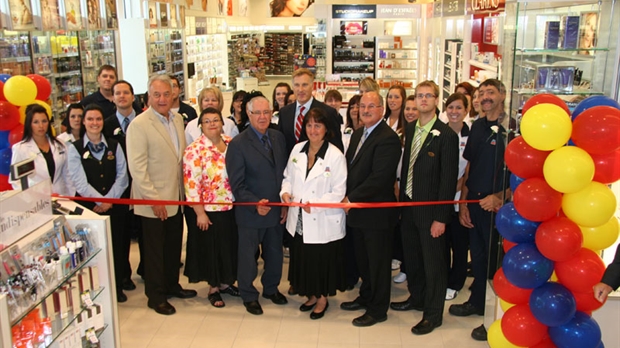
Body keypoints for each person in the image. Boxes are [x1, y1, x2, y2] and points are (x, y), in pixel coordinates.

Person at [390, 81, 458, 335]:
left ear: (436, 100)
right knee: (413, 259)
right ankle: (416, 298)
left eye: (429, 96)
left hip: (431, 213)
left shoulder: (446, 135)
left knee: (434, 264)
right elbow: (407, 168)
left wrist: (441, 218)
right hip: (408, 207)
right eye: (420, 96)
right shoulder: (411, 128)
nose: (424, 100)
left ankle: (433, 314)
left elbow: (448, 180)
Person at [126, 75, 196, 316]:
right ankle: (155, 296)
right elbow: (137, 168)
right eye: (157, 95)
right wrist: (153, 199)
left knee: (173, 246)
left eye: (166, 94)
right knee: (155, 251)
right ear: (148, 97)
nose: (162, 99)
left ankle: (171, 284)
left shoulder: (177, 119)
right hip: (153, 200)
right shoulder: (139, 124)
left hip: (176, 197)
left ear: (174, 95)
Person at [449, 79, 512, 341]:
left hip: (497, 208)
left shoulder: (512, 130)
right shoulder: (477, 127)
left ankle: (495, 318)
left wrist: (500, 197)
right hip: (474, 202)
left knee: (496, 263)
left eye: (491, 92)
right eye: (482, 93)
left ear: (503, 95)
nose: (485, 97)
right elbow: (469, 167)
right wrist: (463, 201)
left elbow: (521, 174)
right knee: (478, 258)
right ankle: (477, 303)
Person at [339, 91, 401, 327]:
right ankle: (366, 296)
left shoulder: (388, 138)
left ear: (382, 109)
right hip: (357, 213)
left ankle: (377, 309)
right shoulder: (357, 134)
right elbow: (349, 169)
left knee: (377, 264)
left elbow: (380, 178)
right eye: (362, 106)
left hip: (376, 215)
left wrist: (350, 198)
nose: (365, 110)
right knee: (364, 261)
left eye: (371, 106)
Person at [280, 108, 347, 320]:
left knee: (319, 261)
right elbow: (287, 176)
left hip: (322, 219)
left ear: (326, 128)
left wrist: (316, 204)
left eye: (318, 125)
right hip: (299, 218)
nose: (313, 130)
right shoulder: (298, 149)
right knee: (303, 258)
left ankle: (322, 299)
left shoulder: (335, 155)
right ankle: (310, 294)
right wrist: (285, 192)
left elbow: (339, 191)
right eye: (309, 125)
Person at [226, 95, 289, 316]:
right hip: (251, 212)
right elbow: (237, 183)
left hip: (275, 209)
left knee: (274, 254)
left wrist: (284, 203)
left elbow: (284, 174)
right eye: (257, 113)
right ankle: (248, 294)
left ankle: (271, 288)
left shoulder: (278, 138)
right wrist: (254, 204)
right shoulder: (238, 144)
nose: (262, 117)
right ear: (249, 114)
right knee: (248, 257)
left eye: (266, 112)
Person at [66, 104, 129, 302]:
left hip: (115, 207)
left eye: (98, 119)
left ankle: (117, 286)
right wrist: (99, 201)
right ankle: (95, 289)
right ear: (83, 122)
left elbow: (122, 176)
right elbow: (79, 181)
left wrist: (109, 201)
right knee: (93, 249)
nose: (95, 123)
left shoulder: (114, 145)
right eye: (90, 119)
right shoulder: (74, 149)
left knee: (118, 247)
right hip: (89, 209)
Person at [183, 107, 239, 308]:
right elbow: (191, 184)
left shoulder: (232, 144)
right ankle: (214, 288)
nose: (212, 124)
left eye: (215, 120)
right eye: (207, 121)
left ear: (222, 122)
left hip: (232, 207)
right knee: (213, 250)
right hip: (209, 210)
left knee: (229, 247)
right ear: (200, 126)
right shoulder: (194, 150)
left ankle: (226, 283)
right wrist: (200, 213)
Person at [103, 79, 140, 292]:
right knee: (122, 234)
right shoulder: (106, 125)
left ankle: (146, 269)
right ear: (113, 97)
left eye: (126, 92)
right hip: (120, 187)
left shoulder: (144, 121)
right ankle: (123, 276)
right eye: (118, 93)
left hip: (143, 184)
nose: (122, 96)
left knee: (145, 232)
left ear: (133, 96)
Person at [442, 93, 471, 301]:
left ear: (466, 111)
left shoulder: (470, 136)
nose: (454, 112)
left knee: (459, 245)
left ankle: (455, 283)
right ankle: (442, 280)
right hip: (441, 199)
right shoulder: (439, 133)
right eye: (450, 107)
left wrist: (455, 188)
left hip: (460, 197)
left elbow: (470, 168)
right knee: (442, 244)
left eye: (458, 108)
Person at [278, 68, 343, 155]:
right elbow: (281, 144)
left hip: (319, 166)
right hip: (292, 166)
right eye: (297, 85)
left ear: (312, 86)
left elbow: (337, 147)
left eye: (304, 85)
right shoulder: (284, 113)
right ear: (292, 87)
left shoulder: (328, 112)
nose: (300, 89)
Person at [10, 104, 71, 195]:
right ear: (29, 124)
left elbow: (68, 173)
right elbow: (16, 181)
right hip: (38, 201)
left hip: (62, 197)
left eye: (44, 121)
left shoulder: (60, 144)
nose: (41, 126)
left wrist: (70, 195)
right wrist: (34, 195)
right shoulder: (20, 149)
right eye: (36, 122)